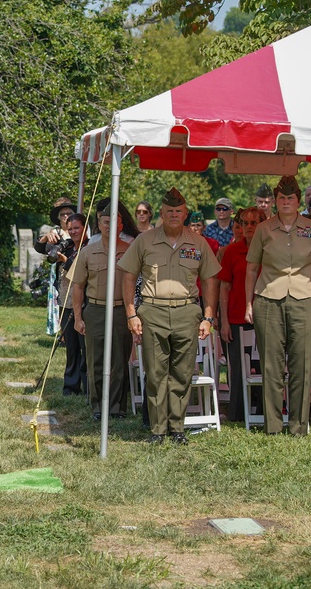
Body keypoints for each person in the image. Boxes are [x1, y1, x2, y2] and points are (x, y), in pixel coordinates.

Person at [120, 187, 220, 445]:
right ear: (161, 214)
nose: (174, 215)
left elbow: (209, 280)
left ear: (185, 214)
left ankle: (177, 428)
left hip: (188, 312)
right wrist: (132, 313)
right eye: (169, 211)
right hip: (153, 311)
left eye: (178, 211)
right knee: (155, 373)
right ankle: (157, 429)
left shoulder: (198, 243)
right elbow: (128, 276)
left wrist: (208, 317)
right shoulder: (145, 240)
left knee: (183, 372)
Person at [245, 175, 311, 436]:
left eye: (290, 198)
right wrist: (249, 302)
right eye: (281, 198)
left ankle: (298, 426)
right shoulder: (264, 229)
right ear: (275, 200)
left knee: (302, 365)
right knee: (270, 365)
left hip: (307, 299)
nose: (286, 202)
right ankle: (272, 425)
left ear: (298, 201)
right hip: (268, 298)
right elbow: (251, 268)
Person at [72, 205, 132, 420]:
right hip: (95, 310)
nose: (109, 225)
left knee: (119, 361)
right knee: (95, 361)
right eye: (105, 221)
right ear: (99, 224)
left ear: (121, 225)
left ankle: (117, 408)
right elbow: (78, 286)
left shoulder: (130, 250)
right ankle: (98, 407)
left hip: (120, 311)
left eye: (114, 221)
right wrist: (78, 318)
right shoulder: (87, 252)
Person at [219, 207, 264, 422]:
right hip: (236, 318)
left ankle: (265, 411)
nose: (248, 227)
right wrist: (224, 321)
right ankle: (237, 413)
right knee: (237, 369)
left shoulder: (271, 250)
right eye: (245, 223)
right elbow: (224, 287)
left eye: (254, 223)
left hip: (266, 317)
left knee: (265, 367)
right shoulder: (231, 252)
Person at [53, 213, 87, 396]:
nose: (73, 231)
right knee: (72, 347)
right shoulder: (67, 247)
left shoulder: (89, 247)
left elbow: (79, 272)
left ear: (85, 227)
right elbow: (41, 247)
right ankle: (71, 387)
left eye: (77, 228)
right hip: (66, 301)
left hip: (84, 302)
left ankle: (88, 386)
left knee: (85, 347)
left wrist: (65, 263)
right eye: (70, 228)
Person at [35, 198, 76, 335]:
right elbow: (40, 248)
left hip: (76, 273)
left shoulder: (79, 232)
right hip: (61, 276)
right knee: (62, 304)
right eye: (63, 214)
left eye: (69, 213)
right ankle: (63, 334)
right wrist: (46, 237)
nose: (66, 216)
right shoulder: (55, 233)